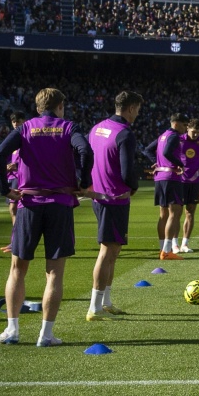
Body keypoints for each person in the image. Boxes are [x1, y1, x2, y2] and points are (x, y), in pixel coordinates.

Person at [0, 88, 92, 347]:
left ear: (37, 108)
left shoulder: (25, 128)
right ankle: (46, 335)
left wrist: (4, 189)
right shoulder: (68, 127)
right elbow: (86, 151)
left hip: (28, 204)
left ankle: (12, 330)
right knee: (54, 273)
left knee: (17, 270)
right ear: (60, 106)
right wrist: (84, 181)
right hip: (59, 204)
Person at [85, 90, 144, 322]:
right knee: (107, 251)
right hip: (115, 199)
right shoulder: (125, 133)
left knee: (114, 250)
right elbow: (127, 169)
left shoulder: (97, 128)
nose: (138, 114)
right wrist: (133, 186)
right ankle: (94, 306)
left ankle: (105, 301)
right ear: (130, 108)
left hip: (99, 196)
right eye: (137, 109)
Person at [152, 112, 189, 261]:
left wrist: (155, 162)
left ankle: (162, 248)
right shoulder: (174, 136)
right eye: (185, 125)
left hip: (160, 178)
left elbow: (148, 149)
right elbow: (167, 152)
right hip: (171, 177)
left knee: (163, 215)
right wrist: (179, 164)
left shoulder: (163, 136)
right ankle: (167, 252)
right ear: (177, 123)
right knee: (175, 213)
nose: (186, 129)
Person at [0, 108, 25, 251]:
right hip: (13, 179)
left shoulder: (28, 139)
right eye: (13, 121)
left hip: (23, 179)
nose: (15, 124)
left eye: (18, 121)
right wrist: (8, 167)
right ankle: (16, 240)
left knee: (16, 209)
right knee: (13, 210)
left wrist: (17, 165)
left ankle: (17, 241)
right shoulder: (13, 140)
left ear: (24, 121)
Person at [176, 121, 199, 252]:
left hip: (194, 179)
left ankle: (185, 244)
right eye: (193, 131)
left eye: (198, 132)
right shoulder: (179, 140)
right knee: (176, 213)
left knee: (190, 212)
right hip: (180, 180)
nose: (195, 134)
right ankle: (174, 244)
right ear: (187, 128)